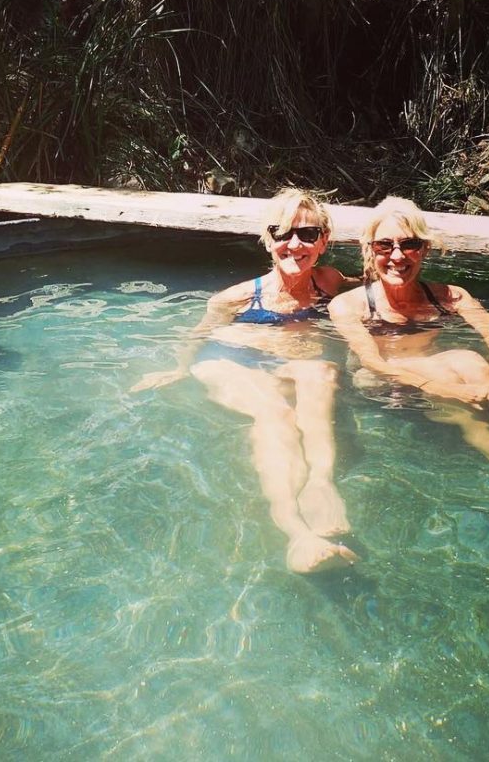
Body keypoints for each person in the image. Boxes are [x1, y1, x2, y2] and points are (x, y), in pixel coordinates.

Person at [131, 188, 360, 573]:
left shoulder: (330, 282)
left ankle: (321, 482)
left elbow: (367, 285)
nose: (294, 244)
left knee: (321, 373)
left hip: (288, 363)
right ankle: (297, 533)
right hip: (233, 361)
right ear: (267, 240)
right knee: (276, 414)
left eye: (307, 234)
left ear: (323, 242)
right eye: (281, 233)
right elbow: (199, 335)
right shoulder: (234, 299)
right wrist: (177, 369)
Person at [328, 196, 489, 506]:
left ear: (424, 249)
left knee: (473, 361)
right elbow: (372, 361)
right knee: (447, 370)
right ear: (370, 250)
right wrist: (444, 388)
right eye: (384, 245)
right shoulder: (348, 305)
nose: (397, 256)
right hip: (379, 380)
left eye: (409, 244)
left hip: (433, 370)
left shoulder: (450, 296)